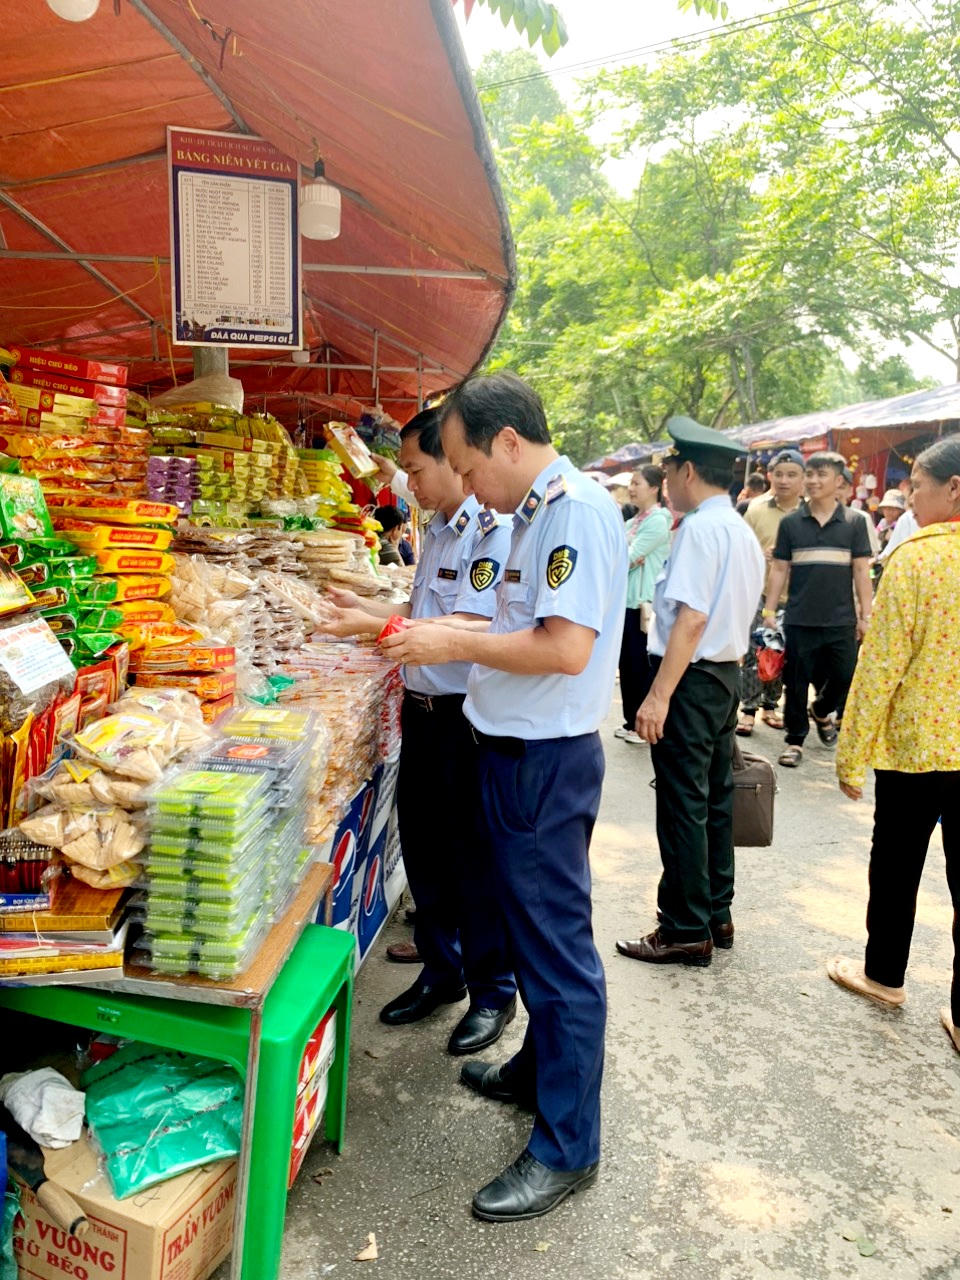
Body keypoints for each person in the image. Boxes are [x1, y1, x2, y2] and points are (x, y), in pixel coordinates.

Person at [380, 371, 626, 1223]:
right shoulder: (535, 512)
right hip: (510, 749)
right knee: (528, 937)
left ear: (508, 443)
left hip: (543, 762)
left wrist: (448, 636)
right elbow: (510, 621)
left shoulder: (574, 512)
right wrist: (446, 636)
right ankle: (533, 1074)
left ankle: (567, 1148)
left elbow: (563, 647)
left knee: (558, 959)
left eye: (465, 466)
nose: (467, 487)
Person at [323, 409, 517, 1056]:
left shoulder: (489, 528)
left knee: (473, 861)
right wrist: (365, 611)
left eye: (414, 468)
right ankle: (442, 973)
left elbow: (466, 622)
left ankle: (493, 992)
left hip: (467, 716)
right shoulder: (435, 527)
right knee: (426, 850)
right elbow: (419, 611)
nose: (409, 481)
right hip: (422, 712)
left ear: (454, 457)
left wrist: (379, 630)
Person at [827, 436, 960, 1056]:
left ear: (952, 488)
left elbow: (880, 666)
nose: (911, 498)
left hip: (917, 748)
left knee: (898, 864)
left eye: (919, 488)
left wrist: (851, 751)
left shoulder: (916, 557)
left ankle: (885, 976)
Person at [615, 417, 764, 968]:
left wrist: (658, 695)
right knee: (714, 799)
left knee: (683, 804)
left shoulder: (701, 528)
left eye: (672, 468)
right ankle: (714, 912)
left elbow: (692, 619)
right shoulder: (739, 529)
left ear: (690, 470)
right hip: (722, 676)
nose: (667, 478)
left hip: (694, 677)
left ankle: (683, 928)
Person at [763, 451, 874, 769]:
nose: (812, 480)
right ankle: (794, 741)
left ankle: (822, 710)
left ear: (839, 481)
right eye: (809, 474)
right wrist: (769, 612)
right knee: (795, 683)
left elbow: (861, 572)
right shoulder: (791, 524)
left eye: (820, 474)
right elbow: (780, 570)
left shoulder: (854, 522)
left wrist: (866, 616)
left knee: (845, 674)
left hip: (841, 619)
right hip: (800, 617)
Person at [737, 449, 806, 737]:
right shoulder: (755, 508)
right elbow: (741, 548)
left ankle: (770, 705)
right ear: (769, 476)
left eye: (792, 475)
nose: (784, 480)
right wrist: (760, 554)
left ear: (803, 479)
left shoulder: (810, 512)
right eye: (779, 474)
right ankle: (749, 709)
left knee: (781, 654)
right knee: (755, 652)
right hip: (760, 591)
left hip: (797, 596)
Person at [614, 465, 672, 745]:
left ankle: (640, 725)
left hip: (642, 603)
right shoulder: (633, 521)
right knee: (627, 663)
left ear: (654, 488)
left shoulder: (658, 520)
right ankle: (630, 721)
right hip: (625, 601)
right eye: (631, 483)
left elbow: (627, 557)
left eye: (637, 483)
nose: (632, 488)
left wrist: (625, 557)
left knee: (639, 663)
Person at [838, 468, 881, 557]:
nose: (835, 492)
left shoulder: (861, 519)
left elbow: (871, 556)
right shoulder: (811, 518)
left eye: (841, 487)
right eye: (831, 486)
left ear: (850, 490)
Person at [875, 487, 906, 552]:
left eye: (893, 509)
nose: (889, 512)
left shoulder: (902, 524)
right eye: (886, 508)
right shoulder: (883, 522)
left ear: (900, 511)